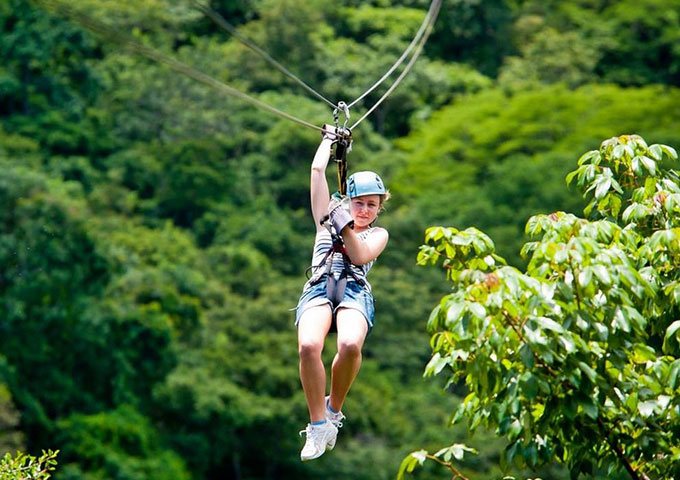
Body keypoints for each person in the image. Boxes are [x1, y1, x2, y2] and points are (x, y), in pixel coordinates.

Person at [295, 125, 390, 461]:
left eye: (371, 205)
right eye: (359, 203)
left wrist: (344, 226)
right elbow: (317, 171)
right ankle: (318, 424)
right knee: (309, 346)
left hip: (353, 290)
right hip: (320, 285)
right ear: (347, 200)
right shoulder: (326, 218)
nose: (364, 210)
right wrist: (328, 139)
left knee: (349, 344)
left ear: (379, 208)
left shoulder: (378, 234)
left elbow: (361, 256)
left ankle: (333, 410)